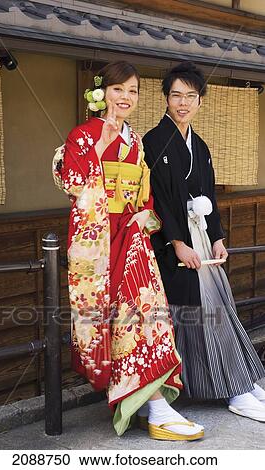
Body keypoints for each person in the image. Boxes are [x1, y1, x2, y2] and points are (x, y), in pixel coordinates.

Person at [52, 61, 204, 440]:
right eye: (119, 89)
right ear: (103, 93)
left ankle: (152, 405)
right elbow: (73, 184)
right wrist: (101, 146)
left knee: (147, 316)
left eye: (133, 91)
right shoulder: (82, 135)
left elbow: (146, 196)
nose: (126, 97)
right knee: (113, 324)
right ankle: (145, 405)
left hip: (131, 239)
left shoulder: (136, 141)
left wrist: (142, 218)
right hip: (98, 241)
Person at [143, 61, 265, 422]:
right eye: (176, 95)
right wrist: (177, 243)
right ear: (165, 99)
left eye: (190, 97)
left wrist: (217, 238)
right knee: (197, 315)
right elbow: (158, 199)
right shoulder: (153, 141)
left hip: (200, 239)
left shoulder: (201, 145)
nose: (183, 103)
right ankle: (233, 389)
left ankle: (241, 381)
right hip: (173, 244)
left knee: (218, 307)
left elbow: (208, 193)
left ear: (200, 101)